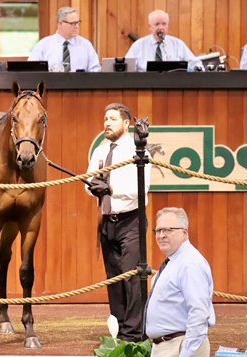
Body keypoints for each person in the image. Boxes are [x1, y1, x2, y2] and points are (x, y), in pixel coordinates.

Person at [85, 103, 151, 341]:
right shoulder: (101, 151)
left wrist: (110, 188)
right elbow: (88, 181)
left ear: (126, 123)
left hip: (130, 221)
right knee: (114, 278)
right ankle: (123, 329)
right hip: (107, 222)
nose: (107, 123)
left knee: (131, 277)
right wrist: (93, 187)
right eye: (105, 119)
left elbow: (141, 189)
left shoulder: (139, 151)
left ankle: (135, 333)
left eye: (112, 119)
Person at [145, 207, 215, 357]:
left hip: (180, 346)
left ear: (184, 232)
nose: (161, 235)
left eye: (168, 230)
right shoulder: (175, 262)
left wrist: (186, 353)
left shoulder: (190, 263)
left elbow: (199, 313)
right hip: (168, 346)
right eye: (158, 231)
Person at [125, 9, 202, 72]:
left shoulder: (177, 44)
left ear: (167, 26)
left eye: (164, 24)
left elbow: (196, 64)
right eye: (157, 24)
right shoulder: (138, 45)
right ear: (150, 27)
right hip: (145, 87)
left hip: (173, 86)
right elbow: (126, 68)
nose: (161, 27)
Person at [28, 6, 101, 72]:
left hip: (80, 85)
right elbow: (31, 71)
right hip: (51, 85)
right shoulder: (43, 45)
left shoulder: (86, 45)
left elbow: (95, 70)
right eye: (73, 23)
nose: (77, 26)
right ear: (60, 23)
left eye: (78, 23)